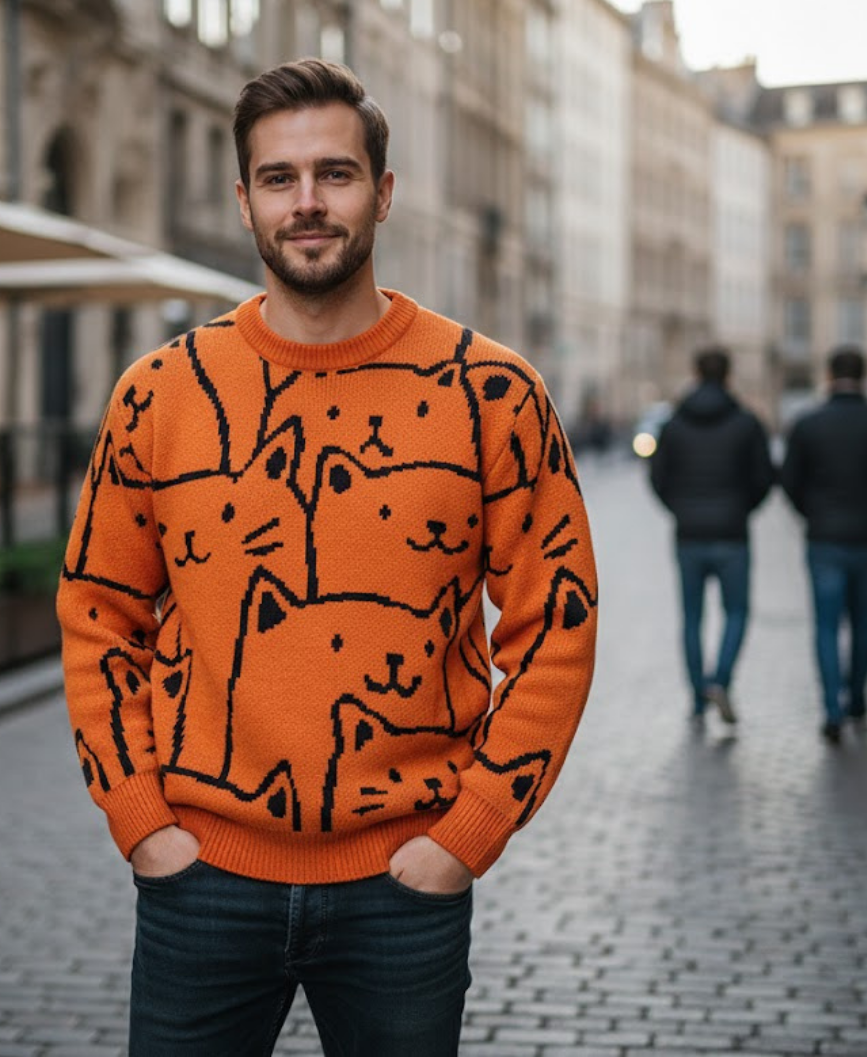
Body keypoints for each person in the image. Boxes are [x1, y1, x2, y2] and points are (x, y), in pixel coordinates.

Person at [56, 58, 598, 1056]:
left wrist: (467, 833)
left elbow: (556, 627)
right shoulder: (159, 394)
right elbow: (97, 614)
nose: (308, 203)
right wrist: (143, 822)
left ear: (383, 194)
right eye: (280, 178)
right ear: (246, 198)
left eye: (336, 174)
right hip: (201, 882)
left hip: (406, 886)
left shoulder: (495, 394)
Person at [649, 347, 774, 726]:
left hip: (689, 535)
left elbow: (658, 477)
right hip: (733, 534)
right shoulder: (747, 422)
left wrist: (680, 509)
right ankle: (720, 679)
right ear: (728, 375)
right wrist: (742, 508)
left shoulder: (673, 422)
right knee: (736, 611)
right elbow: (765, 477)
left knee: (691, 617)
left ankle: (698, 697)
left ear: (696, 373)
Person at [781, 345, 867, 744]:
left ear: (830, 376)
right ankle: (857, 700)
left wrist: (812, 514)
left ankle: (831, 709)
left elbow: (791, 482)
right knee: (863, 624)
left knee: (827, 626)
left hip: (825, 539)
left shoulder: (808, 423)